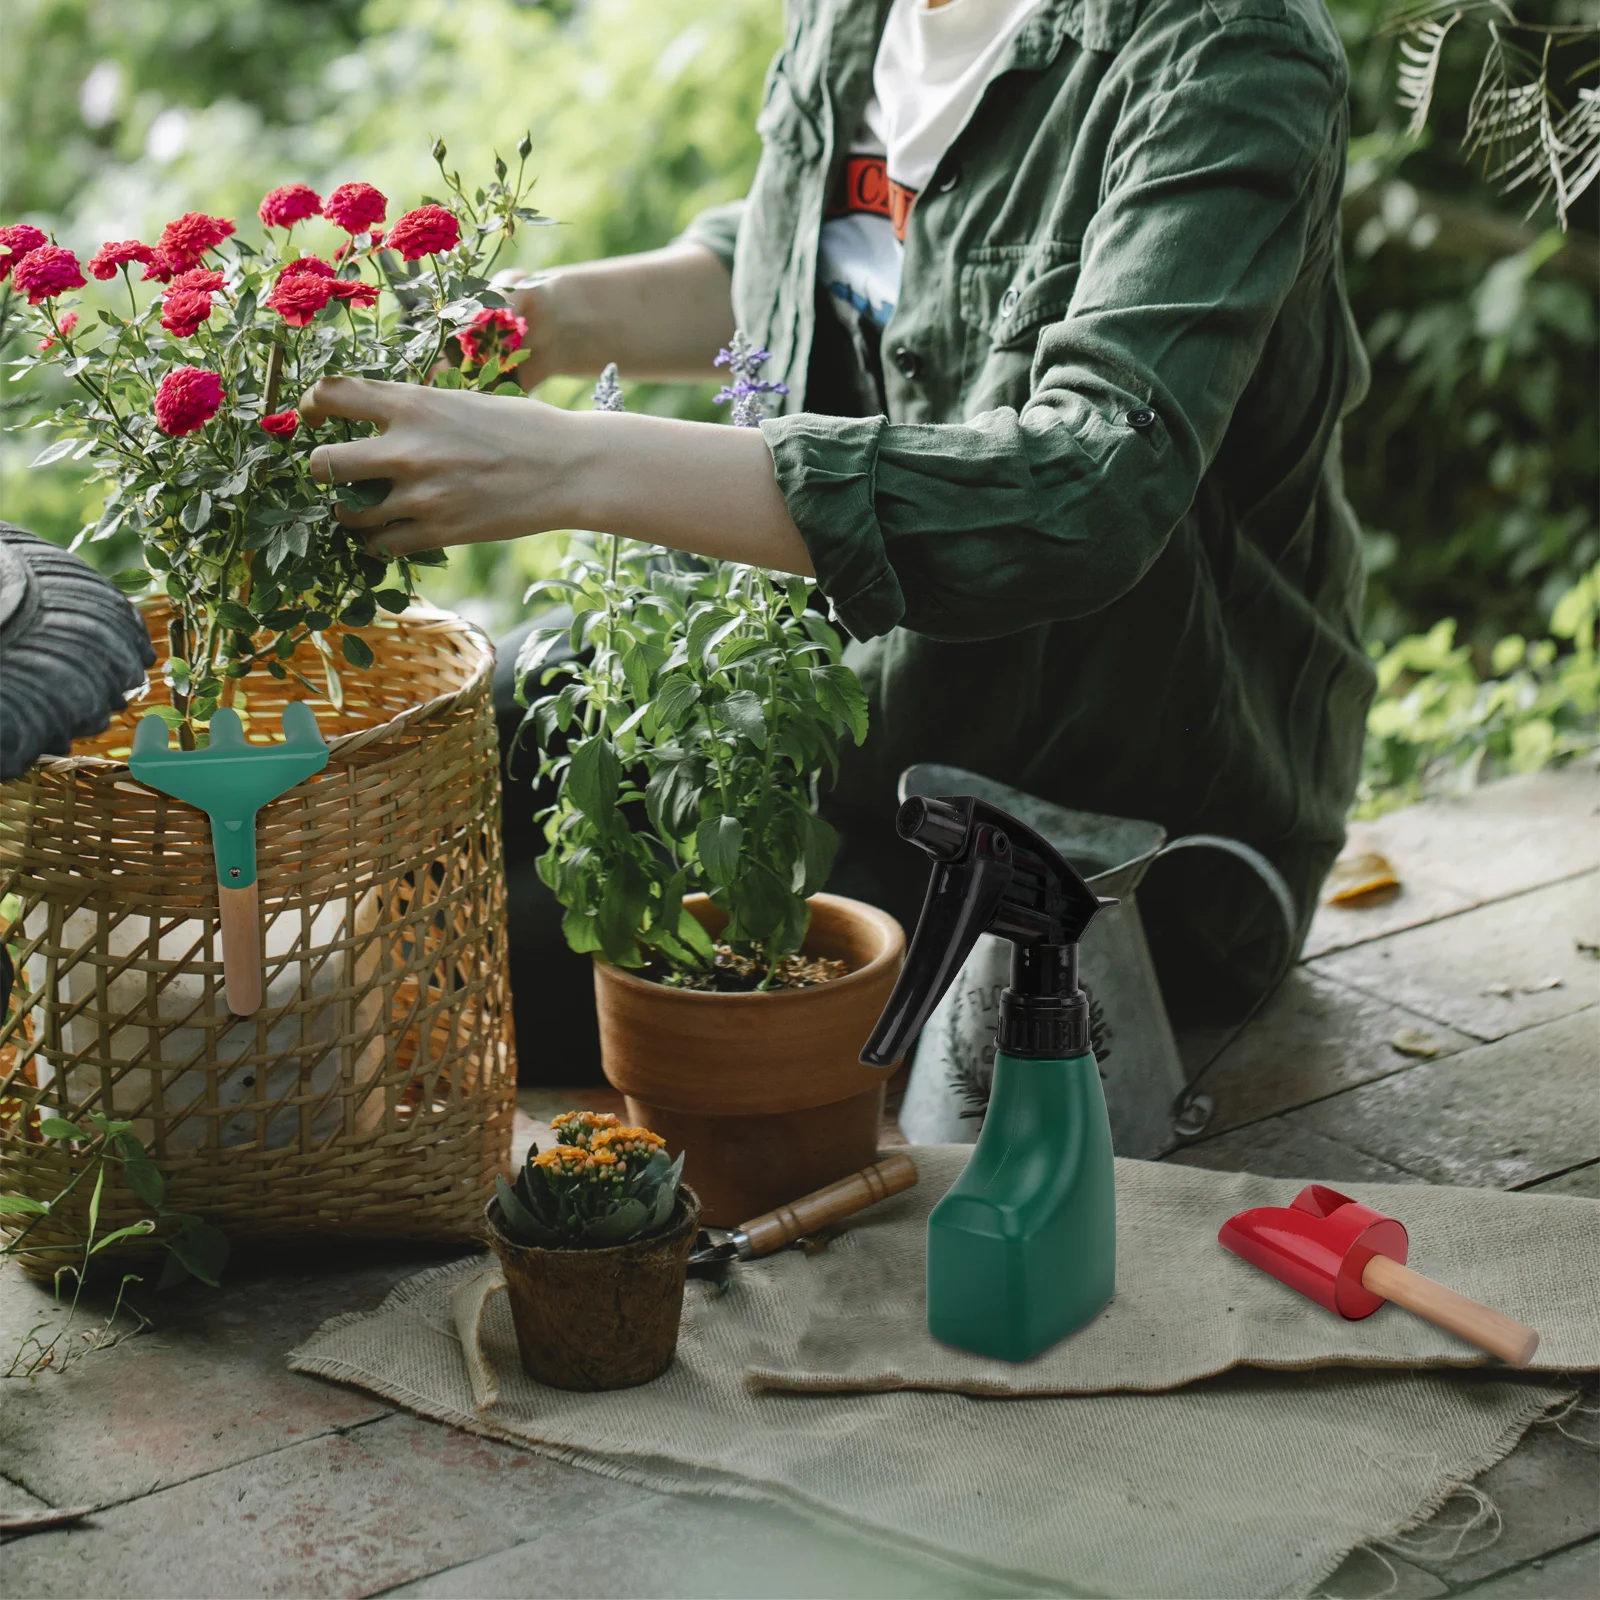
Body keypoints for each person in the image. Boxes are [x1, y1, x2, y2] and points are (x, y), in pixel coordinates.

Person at [300, 0, 1375, 1077]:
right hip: (812, 702)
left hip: (1089, 832)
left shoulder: (1222, 52)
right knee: (393, 770)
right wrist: (555, 323)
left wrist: (568, 463)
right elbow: (815, 258)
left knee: (433, 971)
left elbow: (1086, 494)